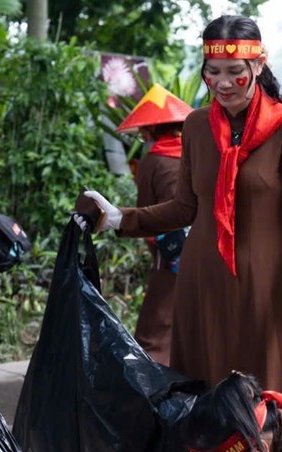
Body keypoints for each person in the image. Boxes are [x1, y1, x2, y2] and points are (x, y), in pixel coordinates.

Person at [75, 15, 282, 452]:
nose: (224, 83)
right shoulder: (195, 126)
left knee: (267, 404)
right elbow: (185, 208)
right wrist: (122, 219)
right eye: (214, 71)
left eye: (236, 71)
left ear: (259, 65)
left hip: (267, 290)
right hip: (202, 288)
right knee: (203, 401)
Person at [115, 84, 193, 365]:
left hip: (170, 250)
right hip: (207, 245)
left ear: (151, 130)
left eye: (143, 131)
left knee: (154, 328)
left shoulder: (153, 161)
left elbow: (145, 214)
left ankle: (151, 382)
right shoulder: (197, 153)